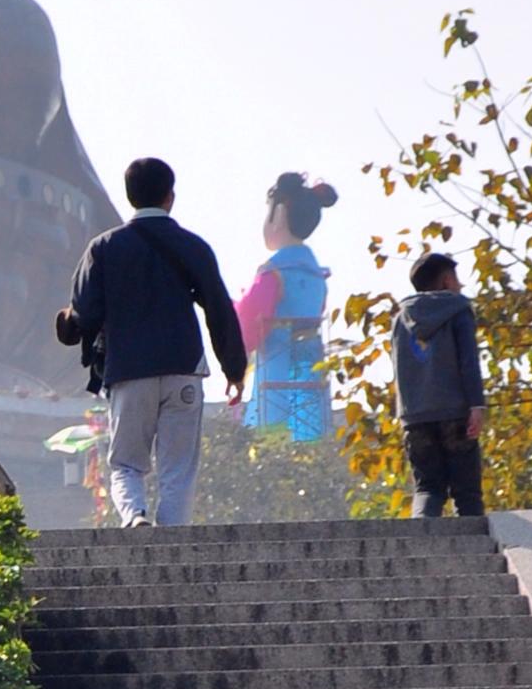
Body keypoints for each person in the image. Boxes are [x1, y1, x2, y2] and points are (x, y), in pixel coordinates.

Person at [56, 154, 247, 529]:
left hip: (130, 371)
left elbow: (84, 314)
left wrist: (66, 325)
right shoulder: (193, 246)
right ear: (169, 197)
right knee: (178, 468)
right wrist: (234, 368)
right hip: (184, 368)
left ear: (129, 196)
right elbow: (219, 308)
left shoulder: (104, 248)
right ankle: (171, 539)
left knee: (126, 463)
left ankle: (135, 518)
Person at [234, 171, 339, 441]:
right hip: (311, 369)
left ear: (278, 215)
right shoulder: (317, 276)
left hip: (276, 372)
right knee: (309, 440)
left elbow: (247, 319)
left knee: (270, 440)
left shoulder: (274, 272)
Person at [394, 251, 487, 520]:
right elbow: (468, 361)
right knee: (467, 492)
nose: (460, 286)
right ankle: (474, 550)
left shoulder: (400, 318)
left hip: (415, 416)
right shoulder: (458, 310)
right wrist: (476, 405)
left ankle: (420, 539)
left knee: (427, 489)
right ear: (446, 281)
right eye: (457, 280)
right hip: (454, 413)